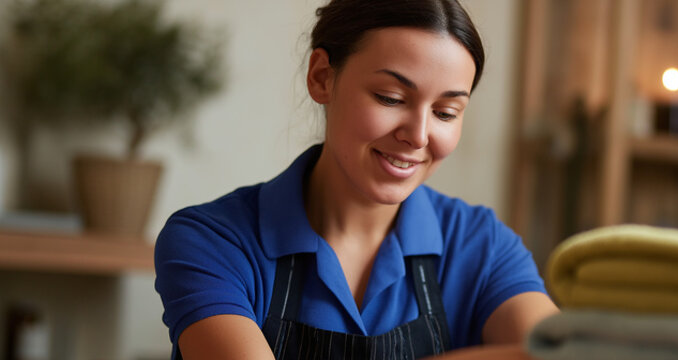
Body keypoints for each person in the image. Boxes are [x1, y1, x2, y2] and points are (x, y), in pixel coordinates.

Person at [153, 0, 559, 359]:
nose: (418, 136)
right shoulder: (212, 241)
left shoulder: (481, 245)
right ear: (322, 77)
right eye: (391, 98)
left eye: (446, 112)